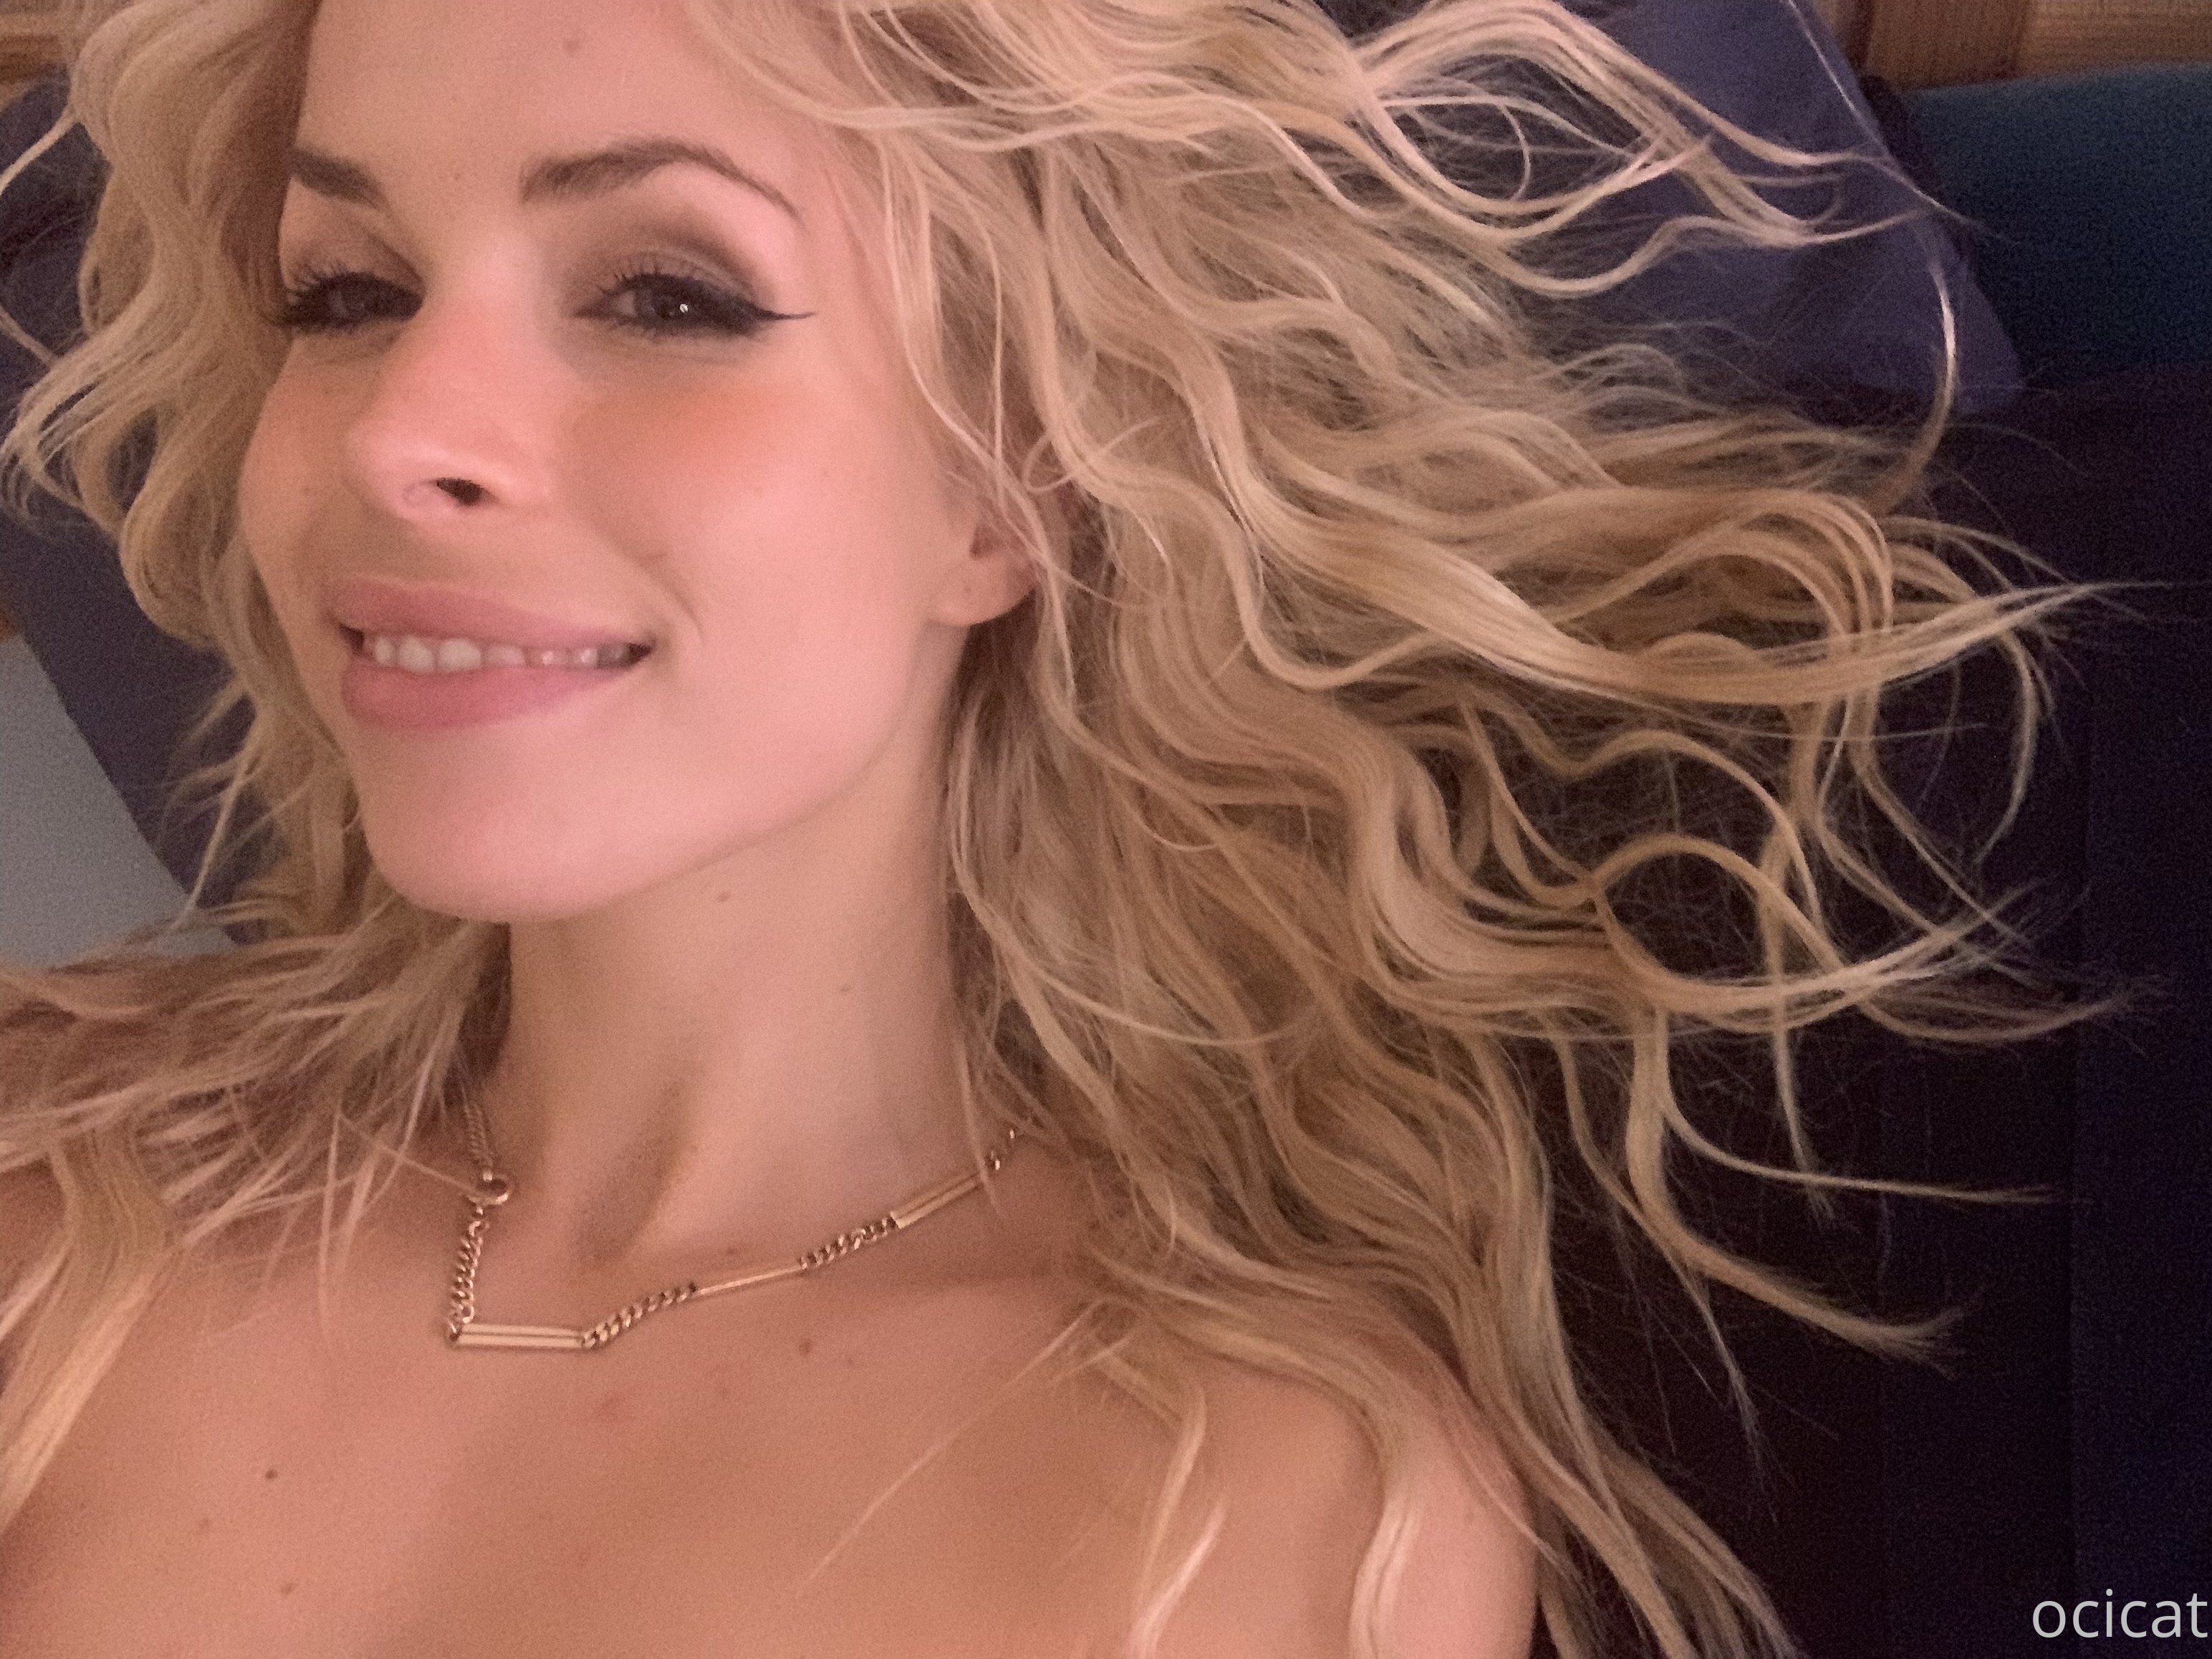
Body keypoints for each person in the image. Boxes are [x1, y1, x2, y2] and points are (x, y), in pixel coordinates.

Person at [0, 0, 2086, 1653]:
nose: (400, 431)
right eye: (349, 289)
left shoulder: (1253, 1502)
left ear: (1013, 482)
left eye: (666, 294)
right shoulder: (49, 1186)